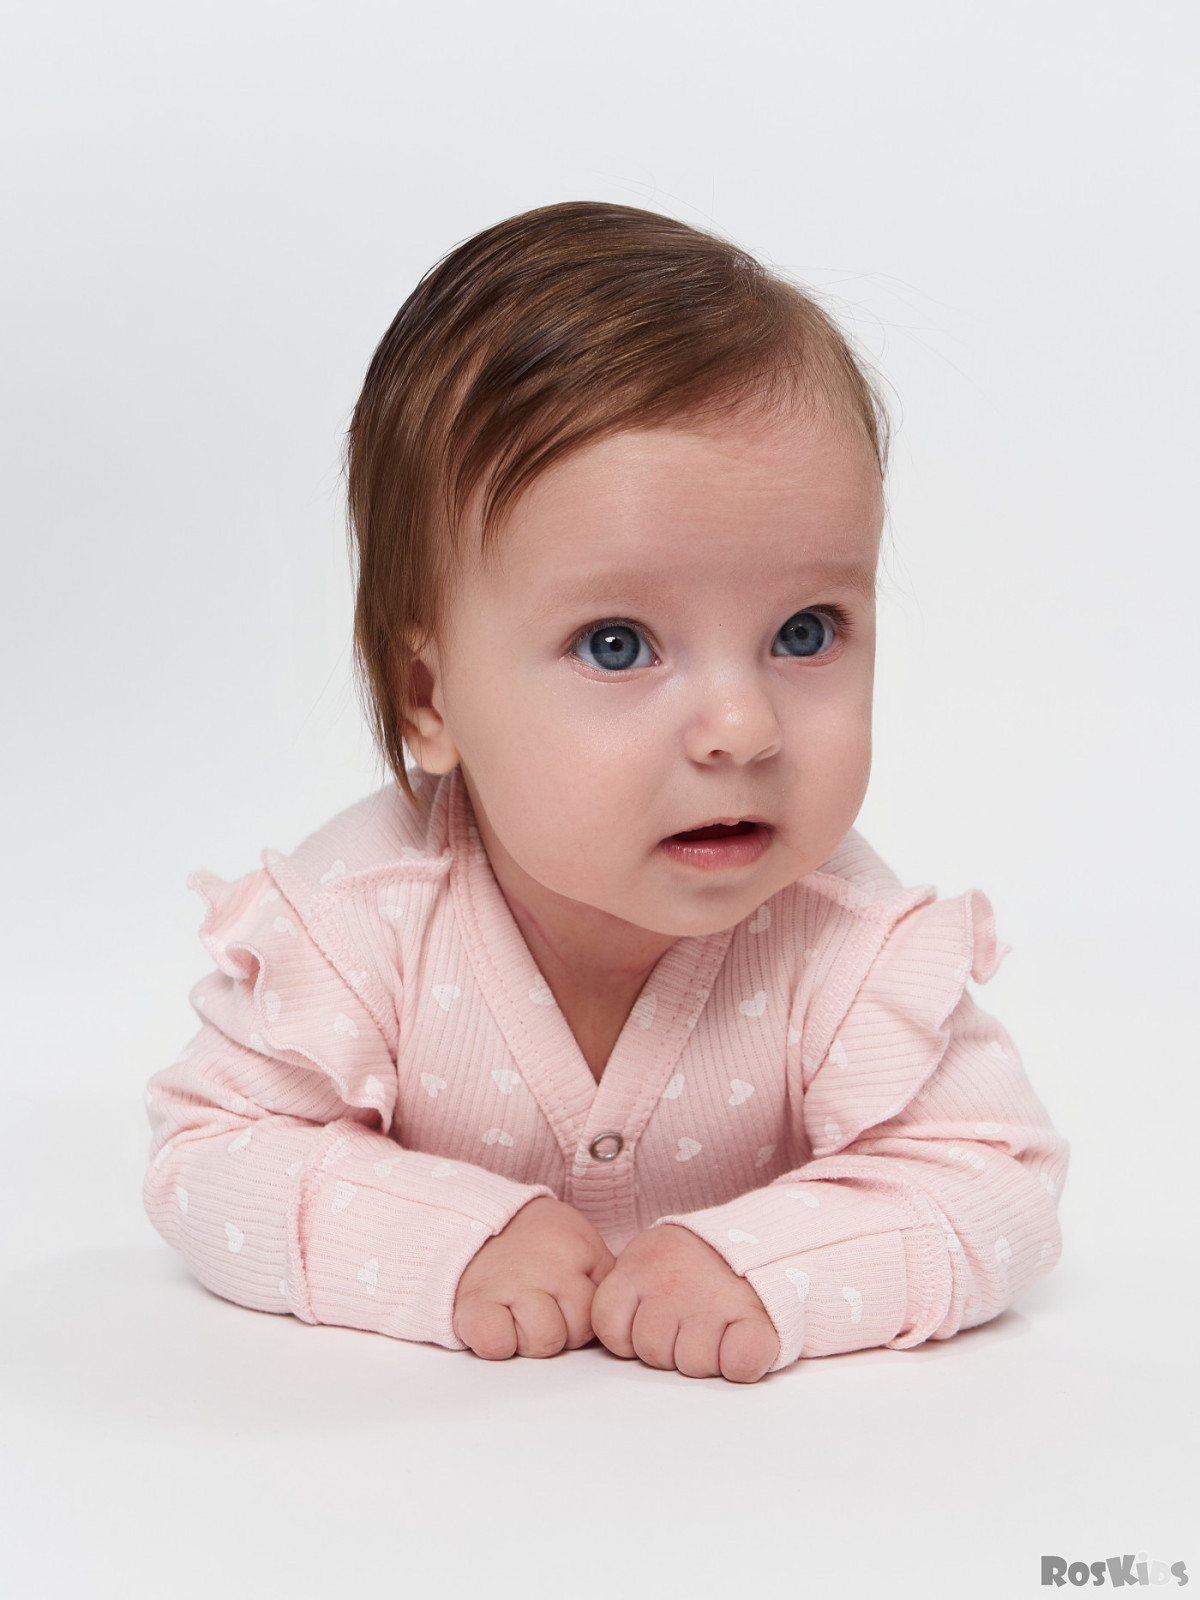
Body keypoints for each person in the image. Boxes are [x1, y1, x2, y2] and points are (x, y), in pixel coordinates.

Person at [142, 201, 1068, 1385]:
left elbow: (995, 1174)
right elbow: (209, 1149)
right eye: (618, 645)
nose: (743, 728)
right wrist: (445, 1239)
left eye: (804, 630)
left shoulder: (842, 943)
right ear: (430, 695)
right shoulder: (359, 923)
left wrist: (766, 1263)